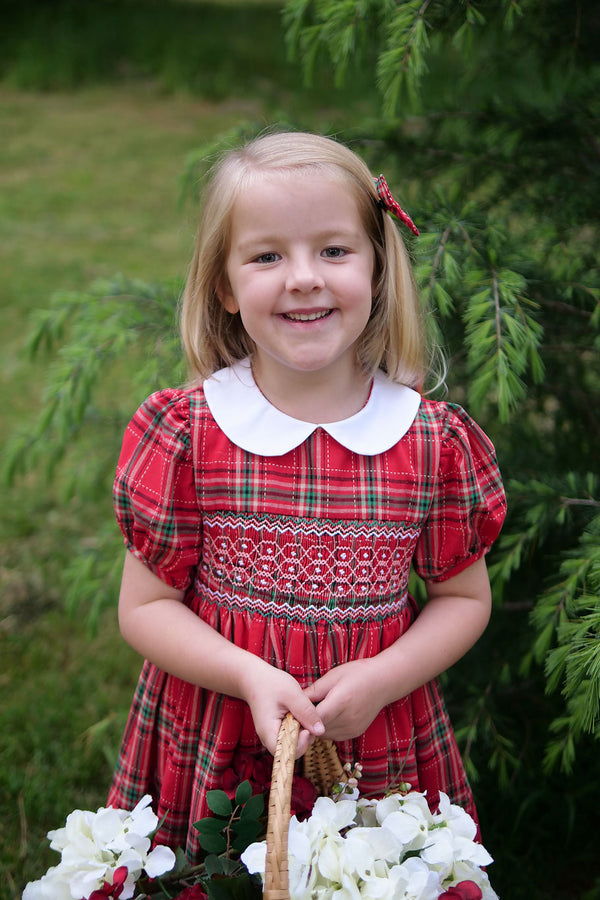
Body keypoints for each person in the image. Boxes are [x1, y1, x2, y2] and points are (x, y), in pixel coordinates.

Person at [107, 131, 506, 861]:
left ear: (380, 269)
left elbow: (463, 598)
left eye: (333, 250)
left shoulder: (429, 442)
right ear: (224, 286)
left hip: (374, 735)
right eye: (266, 256)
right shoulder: (191, 433)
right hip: (221, 727)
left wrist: (384, 679)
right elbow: (145, 608)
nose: (303, 278)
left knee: (370, 869)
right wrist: (247, 674)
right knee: (217, 869)